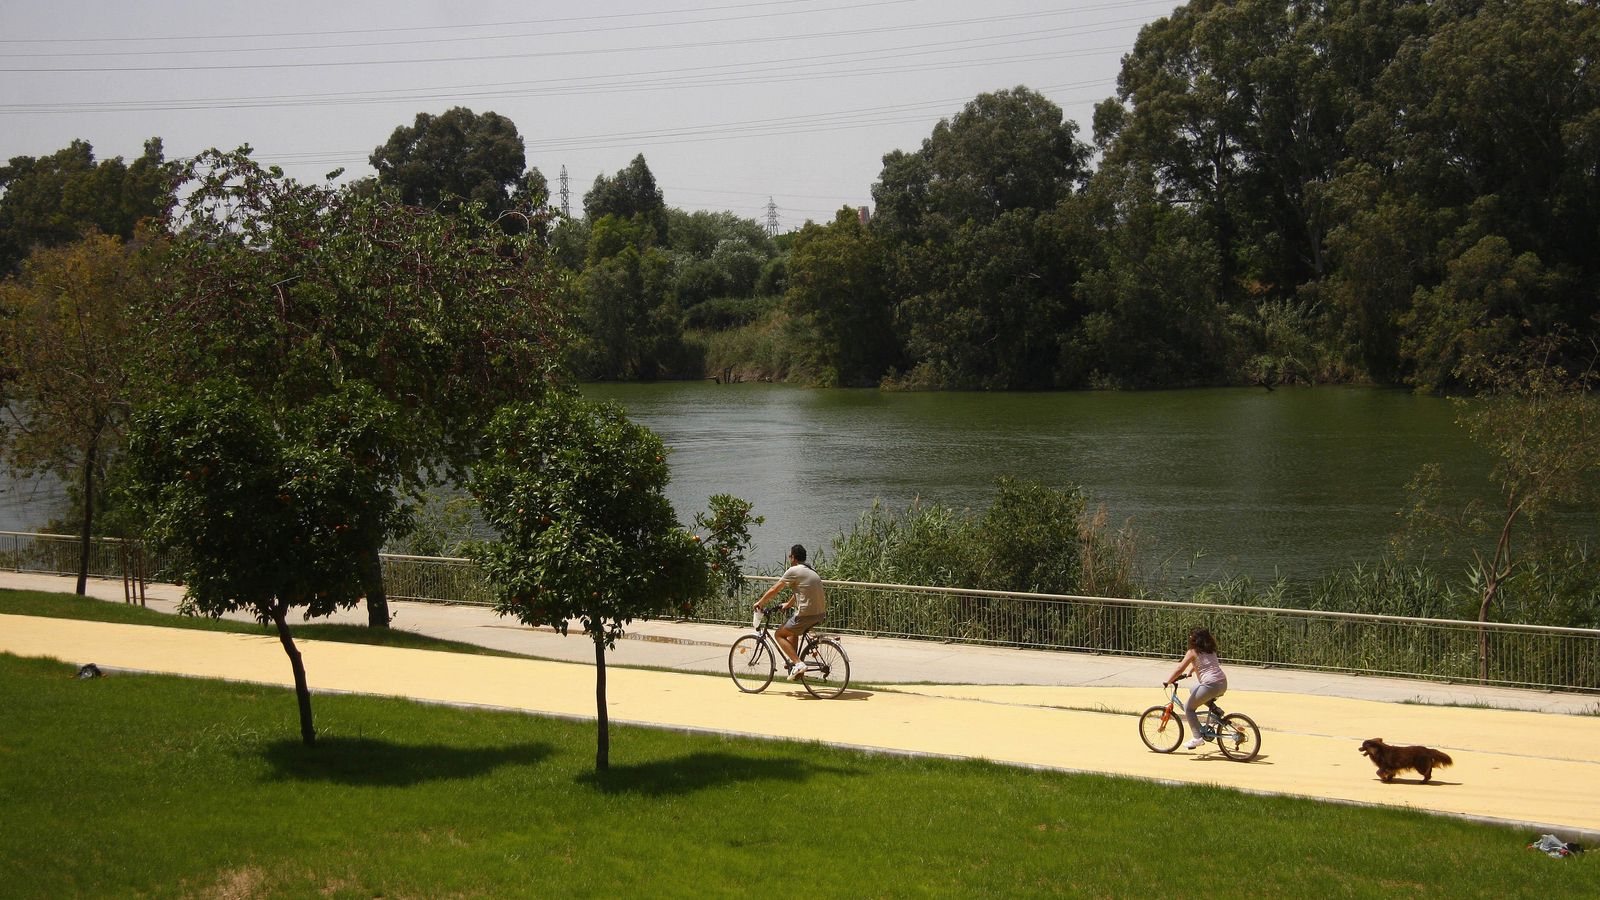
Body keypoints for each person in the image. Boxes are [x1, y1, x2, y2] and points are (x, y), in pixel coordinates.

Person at [753, 544, 827, 680]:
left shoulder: (793, 570)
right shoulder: (810, 569)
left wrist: (760, 603)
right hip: (820, 613)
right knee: (793, 632)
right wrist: (788, 604)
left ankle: (798, 664)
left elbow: (775, 589)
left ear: (793, 557)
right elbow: (801, 590)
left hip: (806, 614)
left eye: (789, 556)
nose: (789, 558)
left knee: (779, 634)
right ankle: (795, 663)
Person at [1164, 627, 1228, 750]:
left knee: (1188, 708)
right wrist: (1191, 671)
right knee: (1193, 689)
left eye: (1191, 636)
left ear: (1195, 639)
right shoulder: (1211, 650)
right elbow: (1204, 664)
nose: (1189, 638)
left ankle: (1197, 737)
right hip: (1222, 683)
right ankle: (1215, 709)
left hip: (1210, 685)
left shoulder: (1193, 651)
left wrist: (1168, 681)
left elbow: (1179, 669)